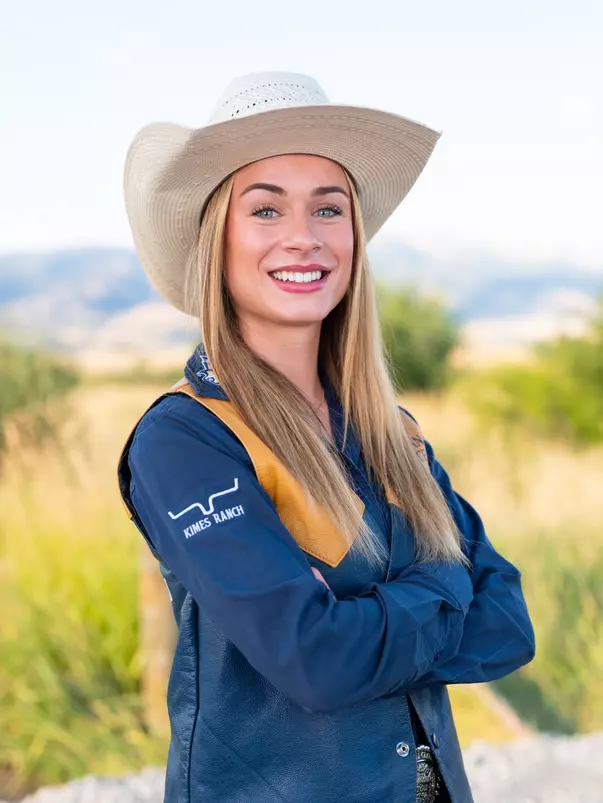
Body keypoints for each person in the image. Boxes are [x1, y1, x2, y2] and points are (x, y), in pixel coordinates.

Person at [117, 71, 535, 803]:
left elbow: (507, 622)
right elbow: (318, 662)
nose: (302, 237)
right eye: (266, 209)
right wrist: (444, 581)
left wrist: (367, 618)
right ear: (218, 238)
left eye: (328, 208)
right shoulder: (185, 440)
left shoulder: (389, 433)